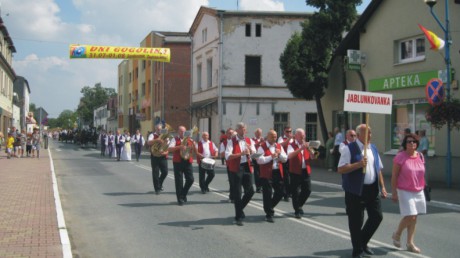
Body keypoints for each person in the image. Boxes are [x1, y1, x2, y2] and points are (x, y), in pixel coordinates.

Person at [338, 124, 387, 258]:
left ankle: (362, 242)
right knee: (356, 221)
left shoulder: (373, 148)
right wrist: (358, 165)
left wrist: (382, 186)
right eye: (366, 133)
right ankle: (357, 250)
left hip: (372, 189)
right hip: (355, 190)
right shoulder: (350, 149)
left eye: (370, 133)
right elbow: (341, 169)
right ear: (359, 135)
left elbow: (378, 169)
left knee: (377, 217)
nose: (370, 136)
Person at [391, 134, 426, 254]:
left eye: (414, 141)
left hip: (418, 190)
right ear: (405, 144)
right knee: (410, 215)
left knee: (414, 217)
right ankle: (397, 234)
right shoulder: (400, 157)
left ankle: (410, 243)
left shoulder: (420, 156)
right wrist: (394, 192)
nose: (412, 143)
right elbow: (394, 175)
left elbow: (421, 173)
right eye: (409, 141)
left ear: (417, 144)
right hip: (404, 189)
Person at [225, 122, 256, 226]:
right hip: (236, 168)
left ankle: (240, 208)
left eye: (245, 129)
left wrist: (250, 150)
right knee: (238, 193)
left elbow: (254, 153)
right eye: (242, 129)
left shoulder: (249, 140)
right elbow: (228, 156)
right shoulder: (231, 141)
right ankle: (238, 217)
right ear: (237, 130)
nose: (244, 131)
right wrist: (241, 154)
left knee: (251, 190)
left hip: (247, 166)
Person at [256, 129, 287, 223]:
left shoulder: (279, 146)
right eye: (273, 136)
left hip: (277, 172)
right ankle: (269, 214)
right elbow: (259, 160)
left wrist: (280, 154)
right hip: (266, 173)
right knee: (267, 194)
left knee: (281, 192)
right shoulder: (262, 147)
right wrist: (271, 157)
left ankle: (269, 207)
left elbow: (285, 159)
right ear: (268, 137)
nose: (275, 138)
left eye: (275, 136)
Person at [287, 128, 316, 219]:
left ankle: (298, 205)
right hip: (295, 171)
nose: (303, 137)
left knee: (308, 190)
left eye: (304, 135)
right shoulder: (291, 145)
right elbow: (290, 156)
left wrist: (310, 150)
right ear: (296, 136)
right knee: (295, 192)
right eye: (301, 135)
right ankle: (297, 211)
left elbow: (314, 156)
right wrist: (300, 149)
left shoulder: (307, 145)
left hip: (305, 170)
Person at [168, 125, 195, 205]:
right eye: (181, 131)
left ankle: (183, 194)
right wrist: (179, 146)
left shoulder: (190, 139)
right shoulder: (174, 139)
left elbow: (194, 150)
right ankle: (180, 199)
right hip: (178, 162)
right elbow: (169, 149)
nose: (182, 132)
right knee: (179, 181)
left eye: (184, 131)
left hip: (187, 161)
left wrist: (193, 145)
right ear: (178, 132)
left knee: (190, 179)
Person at [148, 124, 169, 194]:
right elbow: (148, 142)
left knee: (165, 172)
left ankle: (159, 183)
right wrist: (157, 140)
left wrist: (166, 141)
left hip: (163, 156)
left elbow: (168, 145)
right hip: (154, 156)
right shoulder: (152, 135)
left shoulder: (165, 135)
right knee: (155, 173)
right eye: (158, 129)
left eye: (160, 129)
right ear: (155, 129)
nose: (159, 130)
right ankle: (157, 189)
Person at [277, 126, 294, 202]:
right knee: (286, 178)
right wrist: (289, 139)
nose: (289, 133)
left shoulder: (293, 139)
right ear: (284, 132)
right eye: (287, 131)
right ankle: (286, 194)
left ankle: (290, 192)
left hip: (292, 160)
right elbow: (281, 145)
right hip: (285, 160)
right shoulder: (281, 138)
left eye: (290, 131)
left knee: (293, 177)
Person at [220, 128, 235, 202]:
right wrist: (228, 152)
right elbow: (222, 154)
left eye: (232, 133)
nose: (231, 134)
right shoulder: (224, 143)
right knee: (232, 181)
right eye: (229, 133)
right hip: (230, 164)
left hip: (239, 164)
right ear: (226, 134)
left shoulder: (237, 141)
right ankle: (232, 197)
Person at [252, 128, 264, 193]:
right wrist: (260, 142)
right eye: (258, 133)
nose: (259, 135)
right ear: (255, 133)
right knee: (257, 173)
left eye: (260, 133)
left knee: (262, 172)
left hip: (262, 156)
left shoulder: (263, 140)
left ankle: (262, 186)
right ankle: (258, 187)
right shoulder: (253, 139)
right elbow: (253, 146)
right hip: (256, 156)